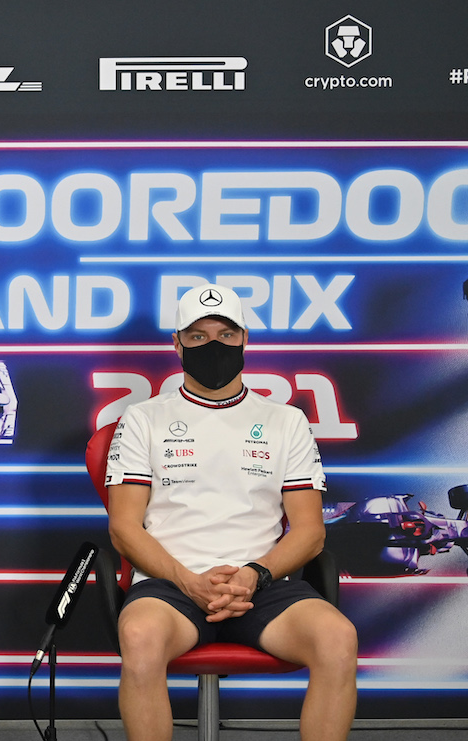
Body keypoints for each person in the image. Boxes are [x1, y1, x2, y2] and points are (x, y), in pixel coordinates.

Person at [105, 283, 357, 741]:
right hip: (170, 587)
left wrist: (253, 575)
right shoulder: (142, 419)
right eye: (198, 337)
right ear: (176, 343)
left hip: (264, 586)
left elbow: (310, 532)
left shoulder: (287, 421)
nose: (214, 345)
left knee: (337, 639)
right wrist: (189, 581)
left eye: (225, 333)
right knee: (140, 639)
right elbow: (123, 527)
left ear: (245, 339)